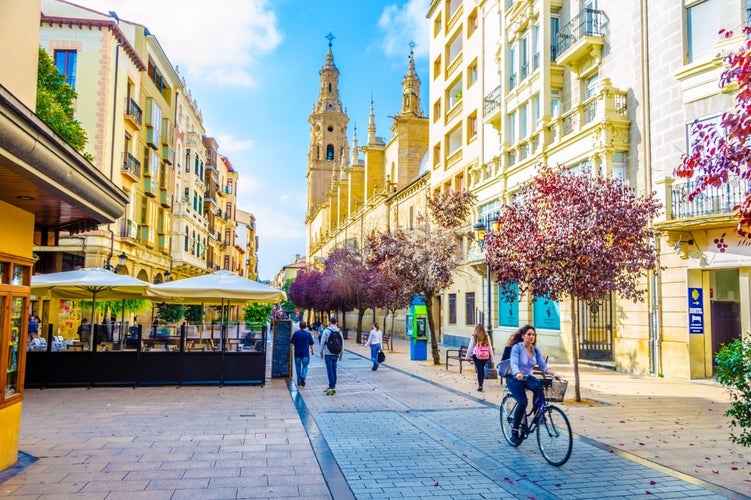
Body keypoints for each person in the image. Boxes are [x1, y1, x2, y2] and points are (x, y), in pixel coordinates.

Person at [505, 324, 557, 444]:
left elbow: (543, 366)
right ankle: (515, 429)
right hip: (514, 378)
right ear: (523, 336)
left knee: (539, 387)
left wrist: (553, 373)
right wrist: (517, 373)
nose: (531, 336)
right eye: (529, 334)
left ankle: (538, 414)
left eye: (533, 334)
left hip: (527, 377)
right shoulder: (517, 347)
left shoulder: (535, 350)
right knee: (523, 402)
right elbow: (513, 363)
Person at [465, 323, 495, 392]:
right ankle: (481, 385)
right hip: (485, 356)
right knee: (482, 369)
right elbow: (490, 347)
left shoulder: (474, 336)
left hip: (477, 356)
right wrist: (492, 358)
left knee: (479, 370)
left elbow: (470, 347)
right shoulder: (486, 335)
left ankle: (480, 386)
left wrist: (467, 356)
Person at [319, 316, 343, 395]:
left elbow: (322, 342)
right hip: (336, 353)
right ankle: (333, 384)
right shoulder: (339, 331)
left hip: (328, 353)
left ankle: (331, 385)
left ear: (330, 322)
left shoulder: (326, 331)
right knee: (334, 368)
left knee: (329, 369)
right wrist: (341, 354)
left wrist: (321, 352)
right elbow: (342, 343)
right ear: (336, 323)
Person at [290, 321, 315, 386]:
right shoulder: (308, 334)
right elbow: (311, 343)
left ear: (299, 326)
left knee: (298, 367)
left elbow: (291, 343)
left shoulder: (295, 333)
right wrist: (312, 351)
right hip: (305, 353)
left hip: (297, 353)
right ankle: (303, 376)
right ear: (305, 326)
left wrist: (295, 345)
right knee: (305, 366)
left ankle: (299, 382)